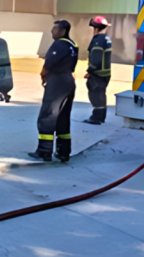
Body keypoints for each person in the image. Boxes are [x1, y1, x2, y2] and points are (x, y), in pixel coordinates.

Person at [28, 20, 78, 162]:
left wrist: (44, 74)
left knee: (48, 115)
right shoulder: (72, 45)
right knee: (63, 117)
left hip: (57, 82)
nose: (52, 32)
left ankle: (44, 151)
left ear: (63, 31)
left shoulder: (59, 44)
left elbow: (49, 63)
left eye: (54, 29)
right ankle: (63, 151)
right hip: (68, 80)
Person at [84, 16, 112, 125]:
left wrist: (90, 71)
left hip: (98, 73)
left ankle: (96, 117)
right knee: (101, 95)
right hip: (105, 73)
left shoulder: (98, 40)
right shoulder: (106, 38)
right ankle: (101, 117)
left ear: (95, 28)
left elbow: (96, 57)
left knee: (96, 95)